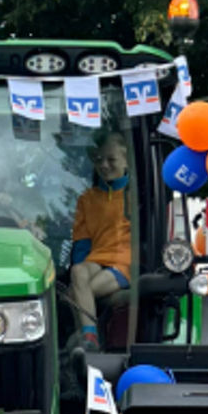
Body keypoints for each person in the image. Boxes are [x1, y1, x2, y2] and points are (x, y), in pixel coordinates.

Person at [68, 132, 132, 350]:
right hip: (97, 259)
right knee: (77, 273)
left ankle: (88, 338)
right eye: (98, 160)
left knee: (75, 295)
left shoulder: (135, 195)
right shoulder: (87, 199)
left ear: (126, 161)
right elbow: (82, 242)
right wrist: (78, 277)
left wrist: (77, 288)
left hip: (125, 262)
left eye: (111, 159)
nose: (104, 165)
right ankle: (90, 341)